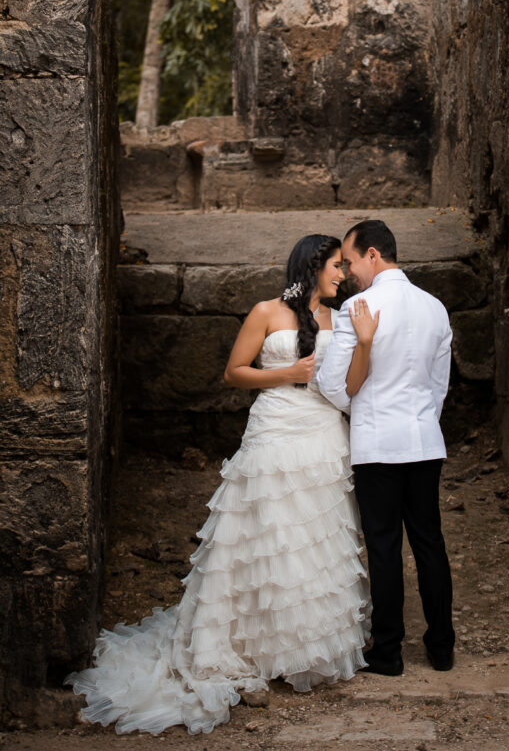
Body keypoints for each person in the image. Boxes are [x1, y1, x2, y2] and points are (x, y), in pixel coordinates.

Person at [64, 234, 371, 735]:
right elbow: (234, 373)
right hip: (274, 429)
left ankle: (302, 644)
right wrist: (288, 372)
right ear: (313, 265)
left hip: (321, 435)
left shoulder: (343, 318)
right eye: (337, 265)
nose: (343, 274)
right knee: (265, 531)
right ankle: (245, 642)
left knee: (313, 535)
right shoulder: (267, 311)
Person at [318, 219, 455, 677]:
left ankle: (389, 652)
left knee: (383, 546)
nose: (349, 271)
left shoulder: (358, 305)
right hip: (424, 440)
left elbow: (335, 387)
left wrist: (364, 410)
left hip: (377, 443)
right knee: (430, 543)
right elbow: (439, 386)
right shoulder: (435, 307)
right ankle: (441, 647)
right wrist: (419, 421)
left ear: (373, 254)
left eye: (352, 261)